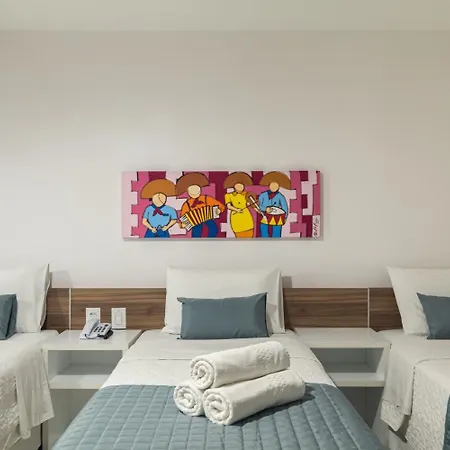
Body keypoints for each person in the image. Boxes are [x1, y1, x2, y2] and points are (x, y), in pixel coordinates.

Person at [176, 172, 225, 238]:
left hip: (208, 217)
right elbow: (183, 216)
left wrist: (219, 210)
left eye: (196, 189)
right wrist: (182, 224)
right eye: (191, 190)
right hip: (195, 221)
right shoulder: (187, 204)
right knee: (196, 231)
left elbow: (221, 206)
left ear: (200, 189)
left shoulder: (206, 198)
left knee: (213, 228)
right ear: (188, 191)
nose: (194, 192)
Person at [223, 172, 261, 238]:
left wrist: (257, 210)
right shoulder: (228, 195)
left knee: (249, 233)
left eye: (241, 185)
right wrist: (236, 210)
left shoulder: (247, 194)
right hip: (236, 216)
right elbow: (229, 206)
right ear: (234, 186)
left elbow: (252, 204)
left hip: (246, 216)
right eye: (237, 185)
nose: (240, 187)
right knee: (239, 234)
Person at [258, 171, 291, 238]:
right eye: (272, 185)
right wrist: (265, 208)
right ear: (269, 185)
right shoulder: (263, 195)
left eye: (276, 185)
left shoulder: (280, 196)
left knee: (277, 231)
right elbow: (259, 205)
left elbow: (285, 207)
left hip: (277, 217)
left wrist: (285, 217)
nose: (274, 187)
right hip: (265, 216)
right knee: (264, 229)